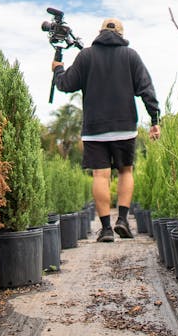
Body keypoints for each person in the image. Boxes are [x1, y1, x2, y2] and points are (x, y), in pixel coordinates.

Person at [51, 18, 160, 242]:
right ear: (121, 34)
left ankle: (106, 230)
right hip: (125, 126)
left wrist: (58, 69)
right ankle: (122, 220)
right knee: (125, 171)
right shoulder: (131, 56)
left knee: (101, 175)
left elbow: (65, 85)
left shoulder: (86, 56)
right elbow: (146, 88)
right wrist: (154, 119)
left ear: (100, 32)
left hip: (94, 128)